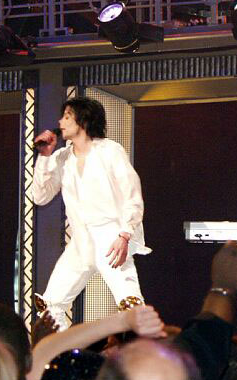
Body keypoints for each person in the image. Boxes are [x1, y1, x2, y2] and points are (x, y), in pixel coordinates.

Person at [32, 97, 151, 330]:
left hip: (110, 238)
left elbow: (132, 195)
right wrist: (44, 156)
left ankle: (143, 350)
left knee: (130, 304)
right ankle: (59, 351)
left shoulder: (109, 151)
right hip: (79, 241)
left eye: (67, 116)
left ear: (83, 121)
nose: (60, 122)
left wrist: (125, 234)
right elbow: (40, 196)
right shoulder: (61, 157)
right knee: (51, 306)